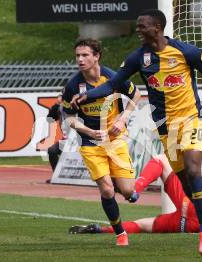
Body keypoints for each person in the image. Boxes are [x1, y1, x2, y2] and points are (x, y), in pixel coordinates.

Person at [71, 9, 202, 254]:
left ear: (157, 27)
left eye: (142, 26)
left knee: (193, 168)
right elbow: (113, 84)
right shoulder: (138, 58)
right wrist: (87, 96)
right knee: (186, 183)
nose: (138, 30)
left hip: (191, 119)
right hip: (165, 127)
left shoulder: (186, 52)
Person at [69, 154, 202, 235]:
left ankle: (135, 191)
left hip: (198, 208)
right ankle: (101, 230)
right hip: (193, 227)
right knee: (145, 226)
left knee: (160, 161)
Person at [62, 38, 141, 246]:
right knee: (106, 190)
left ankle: (127, 188)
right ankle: (120, 233)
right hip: (91, 144)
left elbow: (137, 94)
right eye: (78, 55)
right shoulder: (73, 85)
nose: (80, 59)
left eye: (85, 55)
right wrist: (87, 130)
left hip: (116, 141)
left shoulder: (113, 77)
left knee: (126, 191)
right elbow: (68, 117)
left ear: (97, 56)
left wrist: (123, 118)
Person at [46, 91, 66, 183]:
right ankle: (57, 176)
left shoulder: (79, 102)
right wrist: (57, 104)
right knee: (52, 150)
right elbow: (50, 119)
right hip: (67, 140)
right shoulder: (60, 107)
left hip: (82, 138)